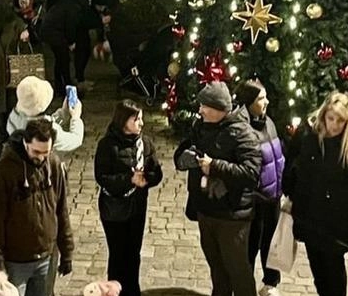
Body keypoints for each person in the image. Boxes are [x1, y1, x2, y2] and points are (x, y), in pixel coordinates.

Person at [173, 82, 262, 296]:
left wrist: (214, 166)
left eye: (205, 106)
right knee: (217, 267)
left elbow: (251, 173)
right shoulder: (201, 126)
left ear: (220, 109)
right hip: (207, 209)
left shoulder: (242, 133)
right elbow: (184, 150)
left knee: (238, 270)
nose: (200, 110)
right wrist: (183, 158)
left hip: (232, 216)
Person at [285, 92, 348, 296]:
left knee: (334, 277)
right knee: (319, 274)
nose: (333, 125)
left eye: (339, 120)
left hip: (336, 228)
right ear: (323, 115)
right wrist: (292, 196)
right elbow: (294, 168)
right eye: (330, 118)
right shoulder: (309, 139)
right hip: (311, 220)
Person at [0, 118, 74, 296]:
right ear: (26, 143)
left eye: (45, 153)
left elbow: (61, 209)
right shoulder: (4, 171)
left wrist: (67, 251)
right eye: (36, 152)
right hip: (15, 261)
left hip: (47, 257)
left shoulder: (53, 165)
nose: (41, 158)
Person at [94, 99, 162, 296]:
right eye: (136, 119)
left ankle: (133, 291)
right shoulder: (107, 145)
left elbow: (156, 174)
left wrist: (147, 178)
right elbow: (103, 177)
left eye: (141, 119)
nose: (141, 123)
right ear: (124, 121)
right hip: (114, 209)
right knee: (117, 255)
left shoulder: (145, 144)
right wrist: (129, 179)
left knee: (133, 254)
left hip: (137, 207)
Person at [234, 79, 285, 296]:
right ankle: (243, 287)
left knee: (271, 245)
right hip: (254, 201)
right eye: (261, 98)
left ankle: (270, 284)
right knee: (250, 246)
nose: (266, 102)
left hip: (272, 198)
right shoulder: (240, 128)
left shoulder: (268, 122)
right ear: (248, 103)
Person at [5, 75, 84, 153]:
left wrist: (63, 112)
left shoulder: (14, 116)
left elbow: (43, 120)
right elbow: (75, 140)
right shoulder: (46, 132)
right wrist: (76, 118)